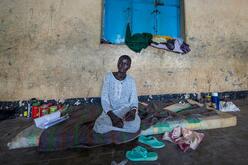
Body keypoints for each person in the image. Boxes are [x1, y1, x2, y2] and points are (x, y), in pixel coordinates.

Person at [93, 55, 140, 134]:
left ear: (129, 67)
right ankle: (120, 127)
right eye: (120, 63)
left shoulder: (131, 80)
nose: (122, 66)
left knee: (135, 126)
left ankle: (115, 127)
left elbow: (134, 100)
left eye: (126, 64)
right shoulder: (108, 77)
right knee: (99, 127)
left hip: (126, 110)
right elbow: (104, 100)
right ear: (117, 63)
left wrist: (132, 112)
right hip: (110, 111)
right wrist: (113, 117)